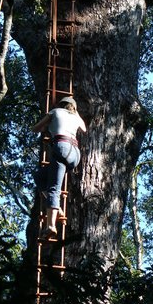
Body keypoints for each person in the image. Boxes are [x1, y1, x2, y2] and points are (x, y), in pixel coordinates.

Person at [32, 97, 86, 238]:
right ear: (73, 108)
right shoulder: (76, 117)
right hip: (75, 155)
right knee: (39, 176)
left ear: (61, 105)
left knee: (54, 188)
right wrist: (76, 113)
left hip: (62, 147)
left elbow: (35, 128)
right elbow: (84, 129)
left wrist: (47, 125)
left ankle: (50, 226)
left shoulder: (55, 111)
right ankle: (57, 207)